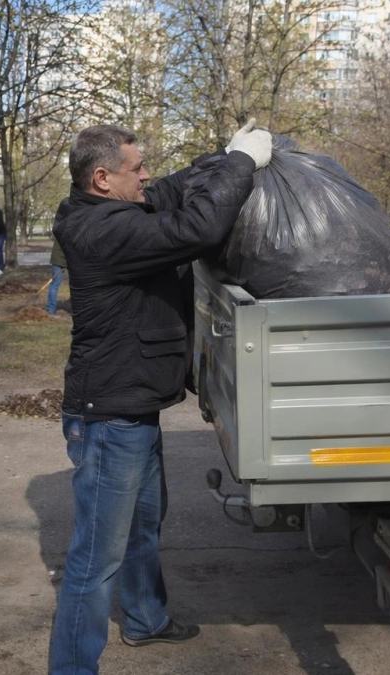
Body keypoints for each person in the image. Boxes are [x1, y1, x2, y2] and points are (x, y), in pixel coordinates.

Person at [47, 121, 272, 675]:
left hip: (132, 408)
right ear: (103, 178)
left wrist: (220, 157)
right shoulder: (103, 230)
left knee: (143, 525)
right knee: (95, 558)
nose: (147, 175)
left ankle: (146, 619)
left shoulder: (110, 210)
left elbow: (168, 192)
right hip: (109, 419)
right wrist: (241, 165)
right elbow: (198, 227)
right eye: (137, 167)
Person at [46, 236, 67, 318]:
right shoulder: (67, 231)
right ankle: (51, 310)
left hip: (60, 258)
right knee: (55, 284)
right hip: (59, 259)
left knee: (55, 284)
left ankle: (50, 309)